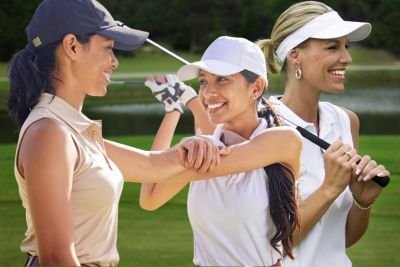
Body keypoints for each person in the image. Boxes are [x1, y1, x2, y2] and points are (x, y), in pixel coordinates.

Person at [141, 36, 303, 267]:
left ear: (256, 87)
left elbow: (153, 170)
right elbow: (150, 198)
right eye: (204, 82)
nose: (208, 93)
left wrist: (185, 149)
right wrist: (174, 109)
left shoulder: (282, 141)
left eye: (222, 80)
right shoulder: (206, 147)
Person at [256, 1, 391, 266]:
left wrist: (363, 202)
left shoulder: (345, 121)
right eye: (332, 47)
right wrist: (330, 187)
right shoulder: (260, 124)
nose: (347, 58)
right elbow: (269, 243)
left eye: (346, 47)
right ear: (295, 55)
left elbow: (342, 239)